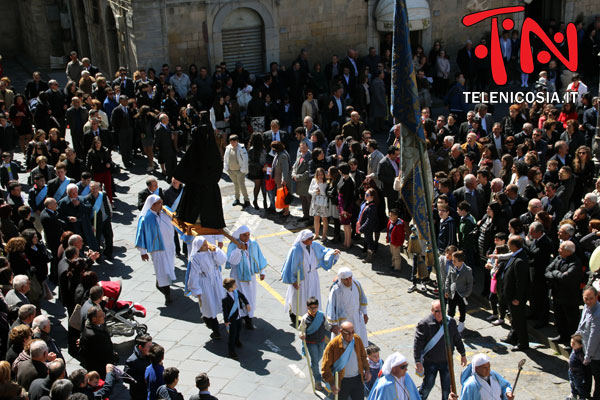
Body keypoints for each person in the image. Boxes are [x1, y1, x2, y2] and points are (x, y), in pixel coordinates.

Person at [282, 229, 339, 324]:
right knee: (299, 298)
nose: (312, 240)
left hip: (313, 276)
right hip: (301, 278)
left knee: (313, 296)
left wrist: (333, 252)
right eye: (310, 239)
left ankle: (313, 315)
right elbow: (291, 266)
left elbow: (324, 251)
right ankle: (294, 315)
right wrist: (294, 280)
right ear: (303, 239)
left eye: (312, 238)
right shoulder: (296, 249)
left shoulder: (314, 246)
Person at [414, 300, 467, 400]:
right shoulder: (424, 324)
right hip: (431, 362)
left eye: (441, 311)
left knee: (447, 389)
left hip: (447, 361)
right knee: (427, 386)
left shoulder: (450, 323)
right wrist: (418, 361)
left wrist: (463, 354)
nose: (439, 314)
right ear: (432, 311)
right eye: (436, 311)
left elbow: (457, 339)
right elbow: (418, 344)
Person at [135, 194, 176, 304]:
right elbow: (141, 235)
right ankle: (167, 294)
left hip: (169, 247)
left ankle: (161, 283)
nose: (161, 205)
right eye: (159, 203)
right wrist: (143, 252)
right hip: (158, 250)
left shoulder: (164, 213)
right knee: (162, 270)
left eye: (161, 202)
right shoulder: (146, 219)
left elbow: (175, 221)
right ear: (152, 205)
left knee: (168, 268)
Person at [225, 225, 268, 329]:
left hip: (251, 276)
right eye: (244, 235)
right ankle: (242, 316)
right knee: (239, 298)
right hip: (238, 277)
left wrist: (262, 272)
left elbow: (259, 257)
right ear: (239, 235)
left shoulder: (253, 244)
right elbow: (232, 261)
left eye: (248, 234)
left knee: (250, 297)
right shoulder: (233, 245)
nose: (247, 237)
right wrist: (238, 250)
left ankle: (249, 317)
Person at [186, 236, 227, 339]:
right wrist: (196, 290)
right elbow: (194, 275)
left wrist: (216, 250)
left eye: (206, 243)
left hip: (216, 283)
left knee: (222, 303)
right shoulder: (195, 258)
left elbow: (222, 260)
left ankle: (227, 323)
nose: (206, 246)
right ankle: (215, 329)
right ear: (198, 247)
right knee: (209, 307)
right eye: (204, 244)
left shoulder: (211, 253)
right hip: (205, 285)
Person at [321, 321, 371, 399]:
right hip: (341, 381)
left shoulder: (357, 339)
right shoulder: (333, 345)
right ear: (341, 331)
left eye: (352, 332)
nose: (351, 335)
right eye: (348, 333)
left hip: (357, 379)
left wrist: (367, 370)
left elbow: (363, 357)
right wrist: (332, 383)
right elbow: (325, 367)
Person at [326, 267, 369, 346]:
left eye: (350, 278)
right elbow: (331, 308)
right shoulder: (336, 290)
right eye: (346, 279)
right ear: (341, 279)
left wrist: (365, 314)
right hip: (343, 321)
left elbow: (362, 299)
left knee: (357, 341)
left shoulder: (356, 284)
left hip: (356, 317)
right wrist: (334, 325)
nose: (349, 281)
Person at [503, 235, 530, 351]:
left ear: (513, 246)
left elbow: (521, 282)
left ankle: (523, 343)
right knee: (514, 318)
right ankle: (513, 336)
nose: (507, 246)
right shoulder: (515, 255)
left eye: (509, 244)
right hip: (510, 295)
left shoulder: (520, 260)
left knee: (519, 321)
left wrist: (518, 298)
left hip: (516, 297)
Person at [299, 297, 331, 392]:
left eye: (315, 307)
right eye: (311, 308)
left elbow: (326, 325)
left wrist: (333, 328)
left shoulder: (321, 315)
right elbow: (301, 330)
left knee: (319, 357)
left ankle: (316, 371)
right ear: (307, 307)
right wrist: (302, 335)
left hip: (321, 341)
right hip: (311, 343)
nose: (313, 310)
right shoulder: (305, 318)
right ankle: (317, 380)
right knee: (315, 361)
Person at [79, 306, 119, 379]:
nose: (104, 316)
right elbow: (103, 352)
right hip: (100, 366)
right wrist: (112, 357)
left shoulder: (99, 324)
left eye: (103, 314)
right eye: (101, 315)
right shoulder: (93, 335)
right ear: (94, 319)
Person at [577, 286, 600, 398]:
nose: (588, 301)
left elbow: (594, 337)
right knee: (586, 377)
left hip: (596, 354)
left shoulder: (598, 314)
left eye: (591, 298)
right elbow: (581, 326)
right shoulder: (586, 307)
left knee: (598, 380)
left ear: (596, 297)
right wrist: (575, 340)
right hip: (586, 350)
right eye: (586, 298)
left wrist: (588, 356)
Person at [444, 250, 473, 334]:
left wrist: (466, 294)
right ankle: (450, 322)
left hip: (462, 293)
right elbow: (448, 279)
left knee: (462, 309)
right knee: (451, 308)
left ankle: (461, 323)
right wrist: (447, 290)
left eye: (454, 261)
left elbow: (470, 284)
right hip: (452, 292)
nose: (452, 262)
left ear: (461, 261)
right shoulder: (452, 267)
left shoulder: (467, 270)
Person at [221, 277, 250, 360]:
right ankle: (231, 350)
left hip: (238, 316)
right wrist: (226, 321)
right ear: (230, 288)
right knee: (232, 334)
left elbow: (243, 297)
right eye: (234, 285)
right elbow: (225, 311)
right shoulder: (225, 298)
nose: (236, 286)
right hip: (232, 319)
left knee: (239, 329)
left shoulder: (236, 292)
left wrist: (247, 304)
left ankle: (237, 341)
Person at [85, 181, 113, 259]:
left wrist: (110, 212)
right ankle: (98, 256)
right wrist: (91, 225)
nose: (94, 190)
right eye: (93, 188)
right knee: (97, 239)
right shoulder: (88, 198)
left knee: (109, 236)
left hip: (105, 218)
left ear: (99, 188)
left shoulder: (103, 195)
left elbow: (108, 203)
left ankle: (108, 253)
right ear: (90, 189)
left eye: (96, 188)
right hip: (96, 221)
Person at [124, 333, 153, 400]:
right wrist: (143, 379)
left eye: (151, 346)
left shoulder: (148, 355)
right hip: (138, 393)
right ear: (140, 347)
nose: (151, 349)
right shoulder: (132, 361)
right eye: (148, 347)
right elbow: (126, 378)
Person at [223, 135, 250, 208]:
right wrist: (227, 168)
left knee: (241, 185)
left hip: (240, 171)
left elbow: (245, 159)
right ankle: (237, 199)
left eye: (234, 141)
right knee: (235, 185)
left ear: (237, 141)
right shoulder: (228, 148)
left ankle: (246, 200)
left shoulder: (241, 148)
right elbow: (225, 158)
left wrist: (242, 170)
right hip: (231, 170)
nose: (232, 143)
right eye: (231, 141)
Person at [569, 333, 588, 400]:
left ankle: (582, 397)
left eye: (574, 343)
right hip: (571, 371)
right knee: (572, 383)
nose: (572, 344)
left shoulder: (579, 353)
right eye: (571, 342)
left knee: (578, 385)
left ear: (580, 345)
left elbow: (584, 362)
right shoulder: (573, 350)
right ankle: (573, 394)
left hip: (578, 373)